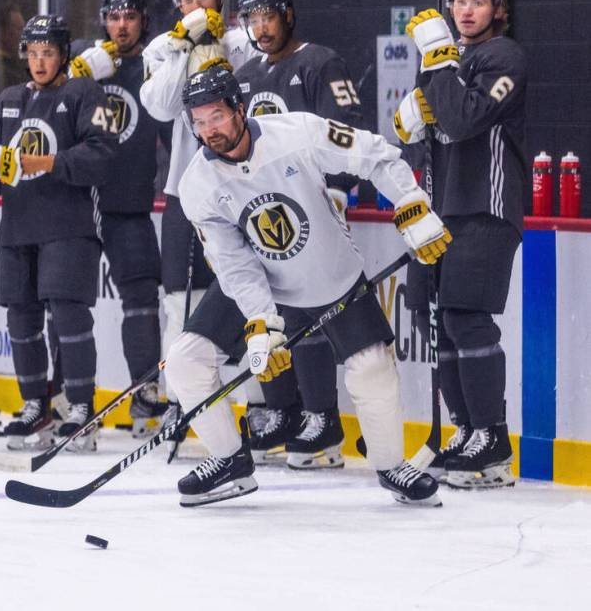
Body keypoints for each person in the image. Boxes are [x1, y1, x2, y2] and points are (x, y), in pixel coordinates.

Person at [166, 65, 448, 508]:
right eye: (198, 123)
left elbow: (376, 154)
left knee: (372, 368)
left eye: (215, 117)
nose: (208, 132)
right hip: (261, 280)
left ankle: (391, 465)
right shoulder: (197, 185)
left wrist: (412, 205)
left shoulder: (298, 132)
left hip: (328, 273)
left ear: (239, 109)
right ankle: (230, 462)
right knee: (185, 361)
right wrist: (261, 321)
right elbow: (235, 263)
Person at [0, 14, 116, 452]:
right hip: (17, 229)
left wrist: (39, 163)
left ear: (64, 55)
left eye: (48, 54)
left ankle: (81, 407)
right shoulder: (7, 100)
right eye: (33, 54)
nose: (39, 63)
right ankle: (35, 406)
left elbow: (101, 156)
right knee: (21, 319)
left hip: (69, 226)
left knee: (69, 315)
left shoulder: (84, 92)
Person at [213, 0, 365, 467]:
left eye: (268, 16)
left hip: (314, 209)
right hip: (266, 218)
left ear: (288, 15)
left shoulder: (320, 63)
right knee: (273, 316)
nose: (260, 27)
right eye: (251, 19)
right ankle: (284, 410)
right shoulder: (249, 75)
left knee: (312, 317)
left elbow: (348, 133)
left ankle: (323, 419)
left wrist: (339, 193)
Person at [394, 0, 524, 489]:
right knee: (444, 323)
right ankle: (467, 431)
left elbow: (464, 119)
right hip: (442, 211)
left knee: (468, 319)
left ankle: (492, 438)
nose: (467, 10)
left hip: (485, 208)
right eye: (459, 0)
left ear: (498, 9)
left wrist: (438, 63)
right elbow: (425, 135)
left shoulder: (505, 57)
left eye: (478, 1)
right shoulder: (442, 62)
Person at [139, 0, 253, 448]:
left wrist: (215, 44)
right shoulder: (162, 47)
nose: (194, 6)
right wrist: (186, 44)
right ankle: (180, 402)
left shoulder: (246, 40)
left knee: (247, 296)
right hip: (187, 191)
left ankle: (254, 405)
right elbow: (162, 106)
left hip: (245, 186)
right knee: (175, 302)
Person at [65, 0, 172, 438]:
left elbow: (173, 129)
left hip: (129, 203)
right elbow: (52, 116)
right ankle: (72, 400)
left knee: (142, 303)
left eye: (129, 16)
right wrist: (77, 76)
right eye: (113, 17)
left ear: (143, 21)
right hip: (75, 207)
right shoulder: (81, 62)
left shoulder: (156, 65)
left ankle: (146, 396)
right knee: (66, 302)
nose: (121, 25)